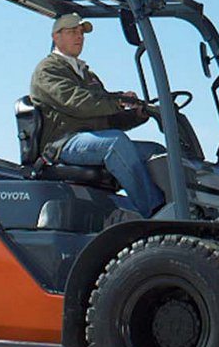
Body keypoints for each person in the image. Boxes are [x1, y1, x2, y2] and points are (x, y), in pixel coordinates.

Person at [29, 12, 166, 216]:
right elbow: (78, 103)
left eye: (81, 32)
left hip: (92, 139)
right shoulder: (48, 70)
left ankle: (178, 205)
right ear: (56, 36)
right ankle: (156, 212)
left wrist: (136, 114)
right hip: (63, 143)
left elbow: (106, 117)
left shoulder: (87, 74)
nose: (79, 36)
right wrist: (118, 101)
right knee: (115, 143)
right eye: (73, 31)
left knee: (155, 152)